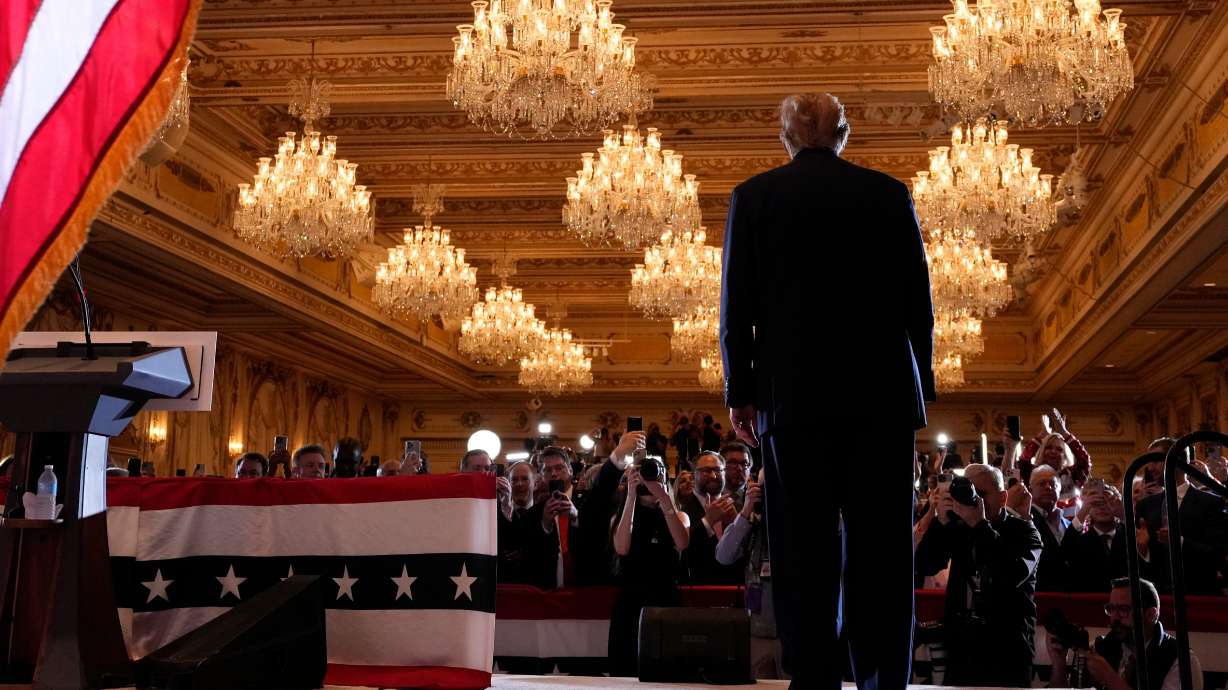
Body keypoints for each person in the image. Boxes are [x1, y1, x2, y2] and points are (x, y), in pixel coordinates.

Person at [721, 92, 934, 690]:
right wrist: (924, 382)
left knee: (801, 550)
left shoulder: (754, 197)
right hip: (884, 398)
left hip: (791, 400)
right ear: (844, 134)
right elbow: (919, 300)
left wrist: (740, 389)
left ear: (785, 137)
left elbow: (736, 308)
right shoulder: (888, 194)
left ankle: (814, 680)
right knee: (884, 551)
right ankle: (882, 680)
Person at [914, 464, 1043, 687]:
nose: (976, 502)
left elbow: (1012, 574)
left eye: (981, 495)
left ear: (1003, 498)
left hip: (1008, 652)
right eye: (969, 493)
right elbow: (925, 565)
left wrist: (979, 525)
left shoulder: (1025, 532)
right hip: (962, 650)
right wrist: (940, 522)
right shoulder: (958, 527)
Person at [608, 457, 690, 676]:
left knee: (667, 672)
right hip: (631, 602)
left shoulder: (679, 514)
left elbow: (682, 542)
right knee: (626, 673)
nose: (649, 477)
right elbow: (622, 548)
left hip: (665, 600)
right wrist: (631, 496)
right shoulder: (622, 515)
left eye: (655, 471)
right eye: (643, 473)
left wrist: (663, 497)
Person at [1047, 577, 1202, 690]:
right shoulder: (1101, 647)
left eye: (1123, 610)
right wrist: (1059, 663)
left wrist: (1110, 679)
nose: (1115, 617)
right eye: (1111, 609)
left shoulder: (1179, 659)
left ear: (1151, 614)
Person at [715, 470, 782, 678]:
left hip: (797, 633)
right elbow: (723, 556)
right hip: (757, 629)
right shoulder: (751, 523)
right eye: (763, 487)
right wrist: (745, 511)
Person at [1135, 445, 1228, 595]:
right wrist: (1142, 550)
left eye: (1156, 461)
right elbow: (1137, 566)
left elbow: (1217, 554)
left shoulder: (1211, 502)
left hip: (1198, 594)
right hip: (1158, 596)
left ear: (1178, 462)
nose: (1150, 468)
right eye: (1149, 462)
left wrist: (1179, 542)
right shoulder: (1145, 505)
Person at [678, 451, 742, 584]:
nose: (713, 476)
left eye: (718, 470)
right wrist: (708, 522)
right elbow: (682, 553)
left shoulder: (738, 506)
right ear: (693, 474)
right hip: (698, 589)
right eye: (706, 471)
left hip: (735, 588)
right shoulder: (682, 509)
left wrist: (738, 526)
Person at [1061, 482, 1130, 592]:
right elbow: (1065, 551)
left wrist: (1123, 514)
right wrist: (1083, 511)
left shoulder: (1128, 535)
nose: (1102, 508)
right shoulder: (1080, 541)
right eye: (1096, 504)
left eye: (1107, 503)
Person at [1027, 465, 1071, 591]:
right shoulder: (1025, 520)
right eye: (1041, 484)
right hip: (1041, 596)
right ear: (1031, 489)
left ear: (1060, 489)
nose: (1048, 487)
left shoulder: (1067, 523)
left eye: (1053, 484)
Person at [460, 449, 513, 521]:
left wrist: (507, 504)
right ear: (463, 471)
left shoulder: (498, 499)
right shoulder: (453, 498)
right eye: (477, 468)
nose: (483, 472)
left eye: (487, 468)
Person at [722, 442, 752, 510]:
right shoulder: (709, 496)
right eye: (732, 462)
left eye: (744, 464)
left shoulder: (757, 499)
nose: (739, 468)